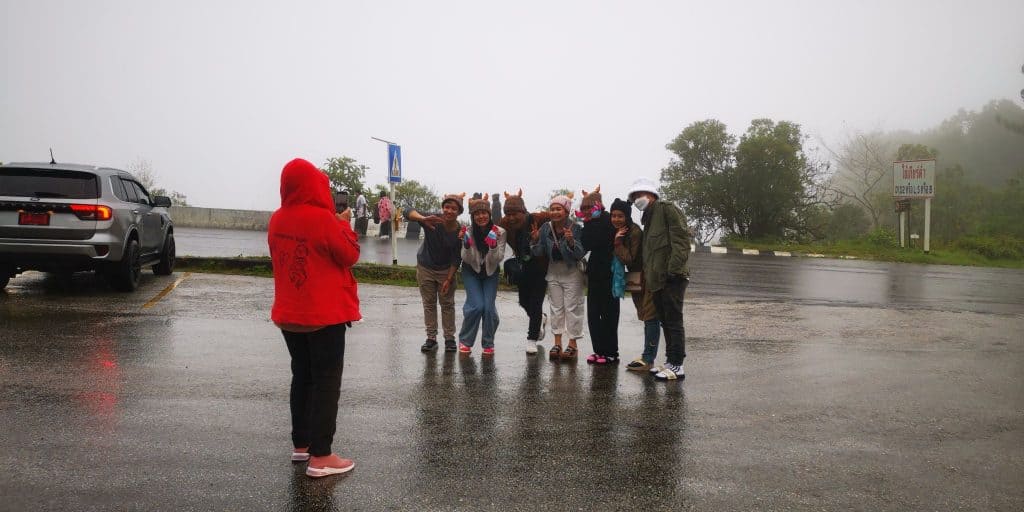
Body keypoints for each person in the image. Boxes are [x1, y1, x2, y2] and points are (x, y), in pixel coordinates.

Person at [268, 158, 361, 477]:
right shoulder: (324, 220)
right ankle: (322, 456)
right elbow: (349, 255)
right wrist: (343, 224)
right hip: (323, 315)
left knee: (302, 376)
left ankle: (302, 444)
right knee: (326, 381)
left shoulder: (277, 219)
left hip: (289, 314)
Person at [627, 177, 692, 381]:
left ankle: (677, 364)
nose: (637, 199)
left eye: (640, 194)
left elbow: (681, 241)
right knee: (665, 321)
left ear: (652, 195)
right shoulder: (648, 217)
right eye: (634, 197)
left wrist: (674, 271)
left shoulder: (666, 209)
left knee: (673, 322)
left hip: (672, 278)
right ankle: (670, 362)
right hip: (656, 280)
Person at [405, 193, 466, 353]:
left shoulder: (460, 231)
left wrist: (449, 279)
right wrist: (422, 218)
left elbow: (456, 257)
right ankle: (431, 338)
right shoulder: (432, 219)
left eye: (454, 208)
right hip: (426, 267)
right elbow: (407, 211)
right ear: (442, 207)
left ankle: (449, 338)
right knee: (429, 303)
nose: (449, 211)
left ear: (459, 212)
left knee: (447, 304)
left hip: (446, 270)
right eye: (447, 207)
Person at [531, 192, 586, 361]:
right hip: (553, 271)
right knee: (556, 309)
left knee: (572, 308)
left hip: (572, 272)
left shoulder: (576, 228)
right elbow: (539, 252)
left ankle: (572, 344)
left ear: (566, 211)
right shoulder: (545, 228)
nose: (555, 212)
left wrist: (571, 242)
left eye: (559, 209)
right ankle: (557, 343)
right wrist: (535, 240)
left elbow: (580, 253)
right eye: (553, 209)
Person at [609, 198, 660, 371]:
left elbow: (630, 258)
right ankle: (647, 356)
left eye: (620, 216)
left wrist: (617, 243)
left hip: (648, 277)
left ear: (627, 216)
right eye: (613, 215)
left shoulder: (634, 232)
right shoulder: (622, 231)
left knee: (650, 316)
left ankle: (648, 358)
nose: (616, 219)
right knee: (645, 315)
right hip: (637, 278)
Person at [498, 190, 551, 354]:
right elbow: (492, 225)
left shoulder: (538, 219)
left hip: (541, 267)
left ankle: (532, 339)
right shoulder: (506, 223)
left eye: (515, 214)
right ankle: (540, 319)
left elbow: (558, 215)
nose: (511, 218)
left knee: (535, 303)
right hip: (523, 267)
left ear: (523, 211)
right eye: (508, 214)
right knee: (523, 302)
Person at [457, 194, 507, 355]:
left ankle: (488, 343)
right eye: (476, 214)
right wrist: (466, 245)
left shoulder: (500, 232)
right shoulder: (467, 231)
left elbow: (498, 258)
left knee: (489, 309)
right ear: (472, 216)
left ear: (489, 214)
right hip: (471, 270)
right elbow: (467, 258)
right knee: (477, 306)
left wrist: (493, 246)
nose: (481, 216)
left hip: (490, 272)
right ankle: (465, 341)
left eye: (484, 213)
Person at [579, 185, 620, 365]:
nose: (587, 210)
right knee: (594, 314)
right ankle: (598, 350)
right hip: (594, 272)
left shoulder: (608, 219)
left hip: (609, 272)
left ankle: (611, 352)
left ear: (599, 205)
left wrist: (592, 223)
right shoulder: (588, 222)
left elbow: (601, 241)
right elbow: (587, 244)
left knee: (609, 313)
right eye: (584, 208)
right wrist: (588, 223)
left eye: (590, 207)